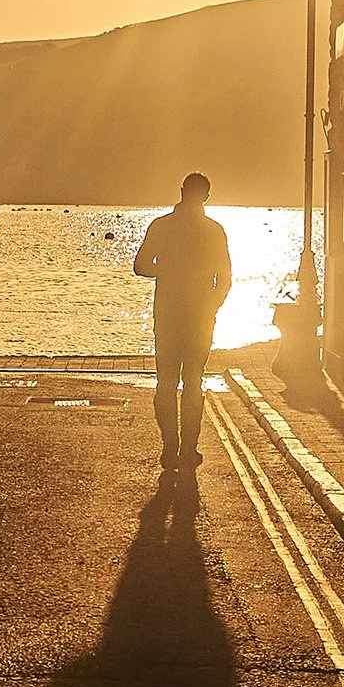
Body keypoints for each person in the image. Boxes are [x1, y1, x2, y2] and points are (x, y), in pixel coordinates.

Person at [134, 172, 232, 472]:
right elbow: (225, 278)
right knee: (193, 383)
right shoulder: (214, 231)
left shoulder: (161, 226)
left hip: (167, 314)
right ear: (207, 196)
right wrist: (212, 305)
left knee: (166, 383)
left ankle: (169, 447)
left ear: (181, 191)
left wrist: (164, 271)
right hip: (200, 317)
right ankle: (189, 449)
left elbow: (140, 266)